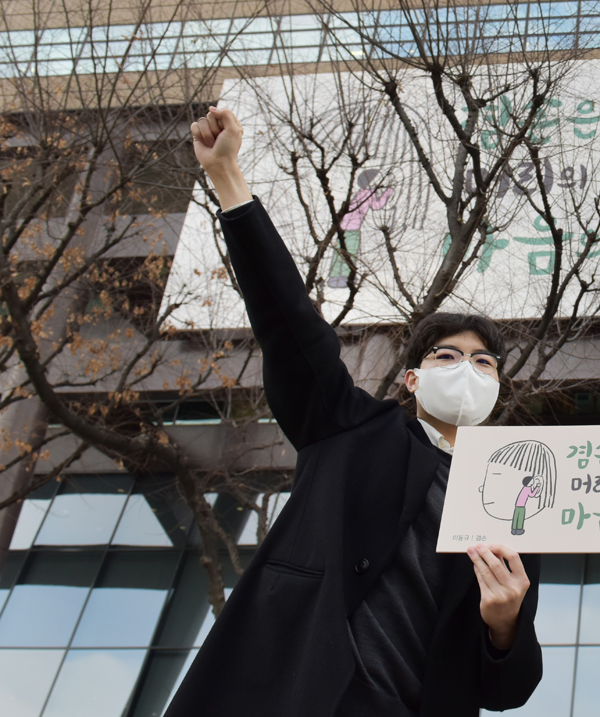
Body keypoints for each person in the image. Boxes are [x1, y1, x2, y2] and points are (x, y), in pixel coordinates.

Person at [165, 107, 542, 717]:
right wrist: (229, 179)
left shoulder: (517, 499)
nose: (468, 369)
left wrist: (504, 625)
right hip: (295, 692)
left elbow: (507, 689)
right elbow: (289, 323)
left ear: (498, 388)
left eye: (484, 363)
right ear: (413, 377)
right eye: (449, 355)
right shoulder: (349, 426)